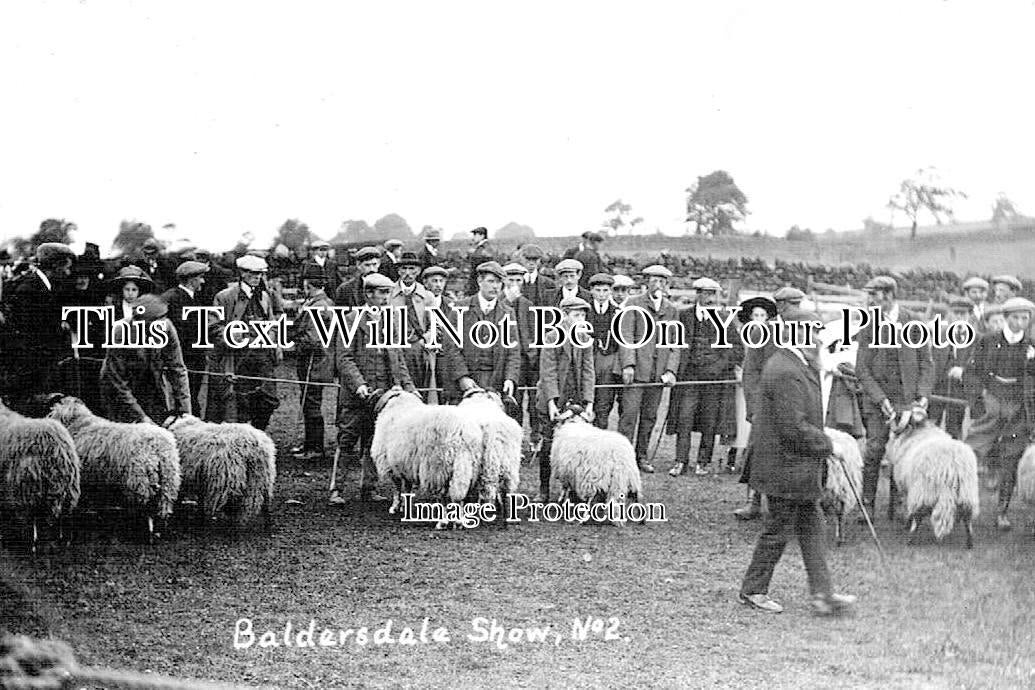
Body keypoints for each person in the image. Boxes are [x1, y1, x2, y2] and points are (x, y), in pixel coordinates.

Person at [738, 307, 857, 616]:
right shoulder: (785, 370)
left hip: (797, 468)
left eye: (818, 332)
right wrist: (830, 445)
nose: (817, 338)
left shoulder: (798, 364)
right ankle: (753, 590)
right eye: (812, 332)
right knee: (777, 531)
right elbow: (793, 427)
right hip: (784, 467)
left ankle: (823, 594)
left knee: (812, 527)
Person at [329, 272, 416, 505]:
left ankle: (369, 487)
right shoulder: (350, 320)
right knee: (347, 440)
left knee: (374, 441)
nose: (386, 298)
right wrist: (359, 385)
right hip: (356, 396)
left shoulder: (391, 321)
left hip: (383, 397)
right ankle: (336, 489)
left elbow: (398, 359)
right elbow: (344, 359)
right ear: (368, 294)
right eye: (382, 293)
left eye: (388, 292)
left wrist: (409, 388)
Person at [854, 275, 933, 519]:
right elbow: (861, 369)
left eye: (873, 295)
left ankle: (897, 502)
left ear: (888, 295)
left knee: (904, 452)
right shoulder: (868, 327)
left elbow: (926, 364)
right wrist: (880, 399)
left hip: (907, 401)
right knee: (875, 448)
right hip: (878, 401)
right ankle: (867, 503)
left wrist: (922, 396)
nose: (869, 300)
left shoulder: (914, 322)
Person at [964, 297, 1035, 530]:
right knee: (971, 453)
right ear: (1005, 318)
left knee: (1011, 458)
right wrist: (982, 397)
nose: (1020, 323)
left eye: (1025, 318)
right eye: (1015, 318)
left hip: (1017, 406)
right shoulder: (988, 341)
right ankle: (963, 505)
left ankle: (1002, 511)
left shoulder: (1031, 346)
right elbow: (971, 372)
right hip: (991, 401)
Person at [668, 277, 743, 476]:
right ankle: (680, 461)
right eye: (705, 293)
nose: (710, 298)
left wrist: (719, 365)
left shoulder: (725, 318)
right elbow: (672, 344)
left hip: (713, 380)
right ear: (698, 294)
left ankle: (703, 462)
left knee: (709, 421)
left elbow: (737, 349)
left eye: (713, 293)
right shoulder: (683, 316)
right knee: (684, 418)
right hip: (689, 377)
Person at [205, 255, 283, 430]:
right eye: (253, 273)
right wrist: (233, 336)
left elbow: (272, 323)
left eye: (260, 274)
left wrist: (271, 336)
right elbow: (213, 327)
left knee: (266, 401)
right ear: (242, 273)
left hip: (262, 358)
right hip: (237, 358)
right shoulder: (225, 297)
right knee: (237, 403)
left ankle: (258, 435)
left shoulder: (264, 297)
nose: (257, 277)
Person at [616, 264, 680, 473]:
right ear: (646, 283)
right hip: (637, 372)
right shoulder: (633, 304)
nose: (657, 284)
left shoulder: (671, 309)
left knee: (650, 416)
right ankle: (622, 458)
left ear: (667, 284)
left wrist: (670, 370)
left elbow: (675, 344)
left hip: (657, 374)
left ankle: (641, 456)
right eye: (653, 280)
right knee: (629, 415)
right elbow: (625, 336)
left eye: (662, 281)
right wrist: (628, 365)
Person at [1, 243, 75, 412]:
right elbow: (29, 336)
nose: (68, 272)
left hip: (40, 368)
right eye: (66, 267)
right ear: (56, 265)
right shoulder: (29, 290)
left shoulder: (42, 287)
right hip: (30, 372)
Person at [535, 296, 595, 501]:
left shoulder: (585, 339)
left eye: (583, 315)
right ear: (564, 316)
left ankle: (571, 490)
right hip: (553, 398)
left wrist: (588, 402)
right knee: (549, 444)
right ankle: (544, 489)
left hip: (575, 398)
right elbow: (548, 371)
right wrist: (551, 402)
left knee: (576, 445)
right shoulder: (552, 337)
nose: (581, 319)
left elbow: (588, 371)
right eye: (576, 315)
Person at [100, 294, 191, 424]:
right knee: (128, 433)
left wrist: (186, 412)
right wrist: (141, 417)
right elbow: (118, 381)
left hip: (150, 382)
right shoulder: (120, 332)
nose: (162, 325)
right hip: (118, 388)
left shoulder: (166, 327)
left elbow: (177, 369)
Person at [442, 261, 520, 402]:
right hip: (466, 383)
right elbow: (450, 346)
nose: (495, 286)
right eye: (490, 281)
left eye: (498, 282)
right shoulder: (460, 308)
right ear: (479, 281)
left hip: (496, 382)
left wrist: (510, 378)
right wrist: (462, 377)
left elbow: (513, 350)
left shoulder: (508, 312)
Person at [732, 296, 778, 520]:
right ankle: (753, 501)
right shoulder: (760, 337)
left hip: (788, 403)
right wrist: (754, 406)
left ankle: (783, 503)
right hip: (764, 404)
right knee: (756, 449)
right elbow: (750, 373)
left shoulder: (798, 333)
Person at [290, 271, 335, 461]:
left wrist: (292, 338)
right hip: (311, 360)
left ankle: (315, 448)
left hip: (315, 361)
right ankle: (309, 444)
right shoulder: (314, 302)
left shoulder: (320, 306)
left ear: (309, 284)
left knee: (312, 403)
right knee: (308, 401)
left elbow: (313, 339)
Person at [161, 261, 209, 416]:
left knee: (191, 396)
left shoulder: (193, 298)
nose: (203, 281)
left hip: (193, 358)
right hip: (183, 360)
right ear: (191, 279)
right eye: (200, 278)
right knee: (183, 398)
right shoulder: (173, 299)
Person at [928, 297, 977, 440]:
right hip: (937, 386)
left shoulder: (976, 338)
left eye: (964, 314)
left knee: (954, 425)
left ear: (970, 316)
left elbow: (979, 364)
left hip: (959, 388)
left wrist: (964, 371)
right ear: (949, 314)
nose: (959, 317)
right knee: (931, 423)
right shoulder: (938, 334)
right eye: (956, 313)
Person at [502, 262, 541, 437]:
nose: (515, 284)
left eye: (519, 280)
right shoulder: (499, 304)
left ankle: (535, 439)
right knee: (513, 403)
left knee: (534, 403)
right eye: (511, 280)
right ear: (504, 281)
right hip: (509, 362)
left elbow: (535, 333)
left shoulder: (528, 304)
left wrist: (533, 356)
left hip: (529, 362)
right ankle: (514, 438)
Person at [388, 251, 434, 391]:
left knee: (419, 388)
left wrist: (425, 339)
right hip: (395, 349)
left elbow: (436, 325)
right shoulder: (389, 295)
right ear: (398, 271)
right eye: (404, 269)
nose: (407, 273)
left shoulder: (427, 296)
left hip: (418, 349)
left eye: (412, 269)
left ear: (418, 271)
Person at [586, 273, 621, 429]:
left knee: (603, 406)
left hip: (608, 364)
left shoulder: (617, 312)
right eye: (598, 290)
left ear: (610, 292)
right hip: (587, 363)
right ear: (591, 291)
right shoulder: (584, 311)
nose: (601, 295)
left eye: (605, 291)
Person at [465, 227, 494, 296]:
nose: (473, 237)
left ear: (482, 236)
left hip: (479, 278)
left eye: (475, 235)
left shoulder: (485, 248)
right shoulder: (480, 247)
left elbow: (479, 261)